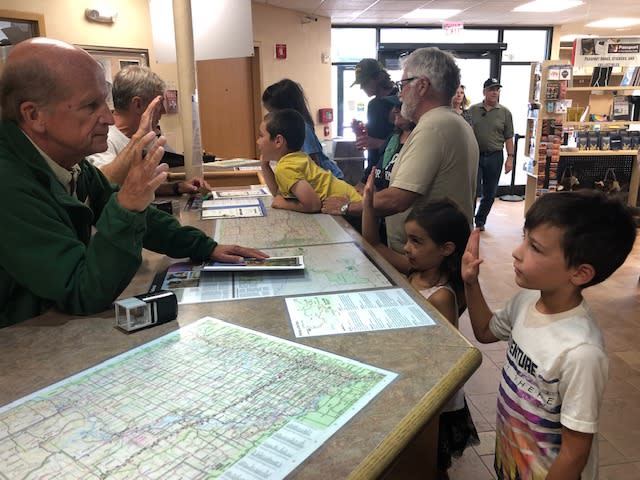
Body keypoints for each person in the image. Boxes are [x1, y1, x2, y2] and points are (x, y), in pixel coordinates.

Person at [0, 38, 266, 327]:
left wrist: (204, 247)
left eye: (105, 101)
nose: (108, 119)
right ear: (34, 115)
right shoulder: (9, 183)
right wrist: (127, 206)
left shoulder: (70, 163)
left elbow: (133, 212)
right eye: (91, 106)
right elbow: (83, 292)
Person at [461, 190, 637, 480]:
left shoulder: (581, 352)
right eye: (524, 237)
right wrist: (470, 283)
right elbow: (484, 331)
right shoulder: (526, 301)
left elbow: (574, 452)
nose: (517, 252)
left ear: (580, 273)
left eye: (535, 247)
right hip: (514, 464)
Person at [361, 169, 479, 479]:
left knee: (431, 465)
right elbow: (373, 244)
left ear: (446, 249)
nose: (407, 248)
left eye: (416, 241)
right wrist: (369, 206)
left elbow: (443, 358)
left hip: (437, 402)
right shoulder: (416, 272)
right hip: (418, 385)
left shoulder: (441, 296)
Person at [361, 47, 479, 254]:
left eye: (404, 85)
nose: (400, 94)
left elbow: (397, 199)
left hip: (426, 260)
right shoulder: (450, 122)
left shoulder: (434, 127)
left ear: (422, 86)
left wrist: (347, 207)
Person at [87, 65, 208, 196]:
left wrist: (176, 187)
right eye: (159, 104)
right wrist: (139, 137)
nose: (163, 111)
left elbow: (141, 188)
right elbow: (106, 184)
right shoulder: (104, 138)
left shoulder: (149, 136)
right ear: (138, 104)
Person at [322, 95, 415, 217]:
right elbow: (375, 178)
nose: (394, 110)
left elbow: (396, 199)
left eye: (400, 106)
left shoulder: (417, 142)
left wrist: (348, 206)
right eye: (393, 106)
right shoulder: (393, 138)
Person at [257, 109, 361, 213]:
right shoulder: (296, 158)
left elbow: (313, 205)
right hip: (354, 200)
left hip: (351, 209)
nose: (258, 141)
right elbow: (279, 194)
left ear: (278, 141)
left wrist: (285, 204)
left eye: (261, 136)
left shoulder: (286, 167)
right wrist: (265, 165)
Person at [261, 78, 344, 179]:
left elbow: (314, 164)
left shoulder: (303, 129)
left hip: (330, 181)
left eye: (272, 112)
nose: (271, 117)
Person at [468, 78, 514, 231]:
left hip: (495, 156)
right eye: (491, 89)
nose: (495, 92)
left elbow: (508, 137)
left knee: (490, 192)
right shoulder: (473, 110)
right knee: (472, 190)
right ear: (484, 92)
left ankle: (480, 221)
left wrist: (510, 158)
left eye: (497, 90)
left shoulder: (505, 113)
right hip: (475, 156)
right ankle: (468, 220)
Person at [350, 58, 398, 169]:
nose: (362, 87)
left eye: (365, 82)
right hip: (374, 166)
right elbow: (378, 132)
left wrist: (376, 143)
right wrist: (362, 130)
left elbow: (405, 143)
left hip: (392, 168)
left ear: (380, 77)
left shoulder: (400, 100)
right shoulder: (373, 104)